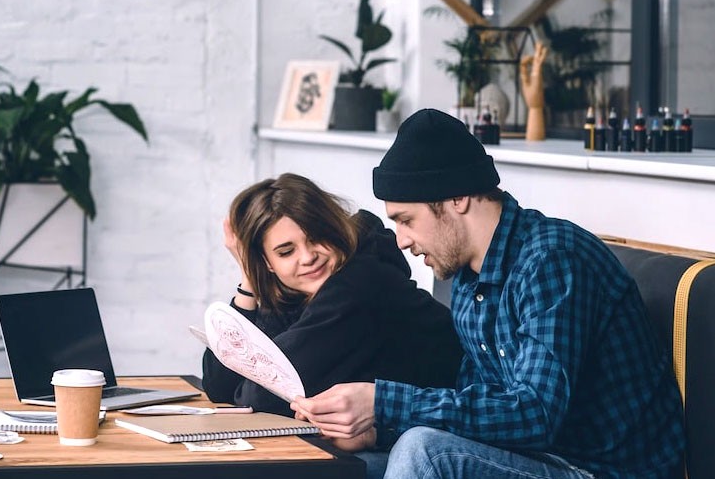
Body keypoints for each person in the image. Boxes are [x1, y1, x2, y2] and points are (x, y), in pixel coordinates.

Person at [291, 109, 686, 479]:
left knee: (424, 451)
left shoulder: (552, 261)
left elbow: (535, 415)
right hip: (540, 458)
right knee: (354, 459)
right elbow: (481, 410)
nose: (402, 240)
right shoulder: (468, 279)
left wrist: (383, 402)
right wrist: (380, 433)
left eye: (407, 221)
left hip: (599, 469)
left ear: (456, 199)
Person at [202, 173, 463, 422]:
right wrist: (250, 281)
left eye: (317, 238)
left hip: (452, 434)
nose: (307, 257)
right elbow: (219, 386)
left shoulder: (360, 286)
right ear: (267, 263)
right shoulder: (300, 294)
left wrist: (244, 385)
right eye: (286, 252)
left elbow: (259, 399)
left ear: (334, 228)